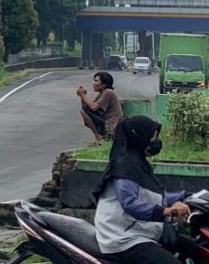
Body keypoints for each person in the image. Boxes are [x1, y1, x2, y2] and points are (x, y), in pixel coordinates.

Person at [93, 115, 191, 264]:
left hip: (142, 232)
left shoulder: (139, 163)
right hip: (123, 238)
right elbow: (129, 203)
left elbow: (156, 197)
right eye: (150, 137)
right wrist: (167, 211)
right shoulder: (124, 166)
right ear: (138, 137)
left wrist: (187, 196)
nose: (155, 142)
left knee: (193, 249)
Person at [76, 71, 123, 142]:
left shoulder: (108, 92)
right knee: (84, 111)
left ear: (104, 84)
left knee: (84, 111)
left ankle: (98, 137)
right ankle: (98, 136)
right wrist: (82, 97)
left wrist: (83, 95)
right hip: (106, 123)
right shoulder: (101, 94)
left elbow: (93, 107)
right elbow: (87, 107)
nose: (93, 84)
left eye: (96, 81)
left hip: (112, 126)